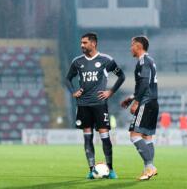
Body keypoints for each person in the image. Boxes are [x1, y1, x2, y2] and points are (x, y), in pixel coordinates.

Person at [65, 32, 125, 179]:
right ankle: (92, 170)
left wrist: (110, 91)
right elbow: (67, 78)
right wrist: (73, 91)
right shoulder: (77, 62)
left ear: (93, 43)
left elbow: (121, 76)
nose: (82, 45)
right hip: (83, 104)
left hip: (99, 104)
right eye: (81, 43)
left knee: (105, 137)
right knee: (87, 138)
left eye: (85, 43)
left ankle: (110, 169)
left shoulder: (106, 60)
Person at [120, 36, 159, 181]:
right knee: (146, 137)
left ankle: (150, 167)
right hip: (153, 102)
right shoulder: (150, 61)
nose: (131, 48)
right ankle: (148, 169)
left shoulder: (143, 61)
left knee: (134, 135)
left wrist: (136, 102)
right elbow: (146, 84)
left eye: (132, 45)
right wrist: (131, 98)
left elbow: (144, 84)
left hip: (146, 102)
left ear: (139, 46)